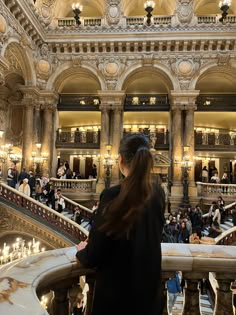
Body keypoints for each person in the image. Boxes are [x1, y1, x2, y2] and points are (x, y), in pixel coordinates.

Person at [75, 133, 165, 315]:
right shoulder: (158, 194)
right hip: (149, 300)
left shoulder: (112, 195)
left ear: (120, 159)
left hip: (116, 302)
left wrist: (82, 250)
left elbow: (94, 255)